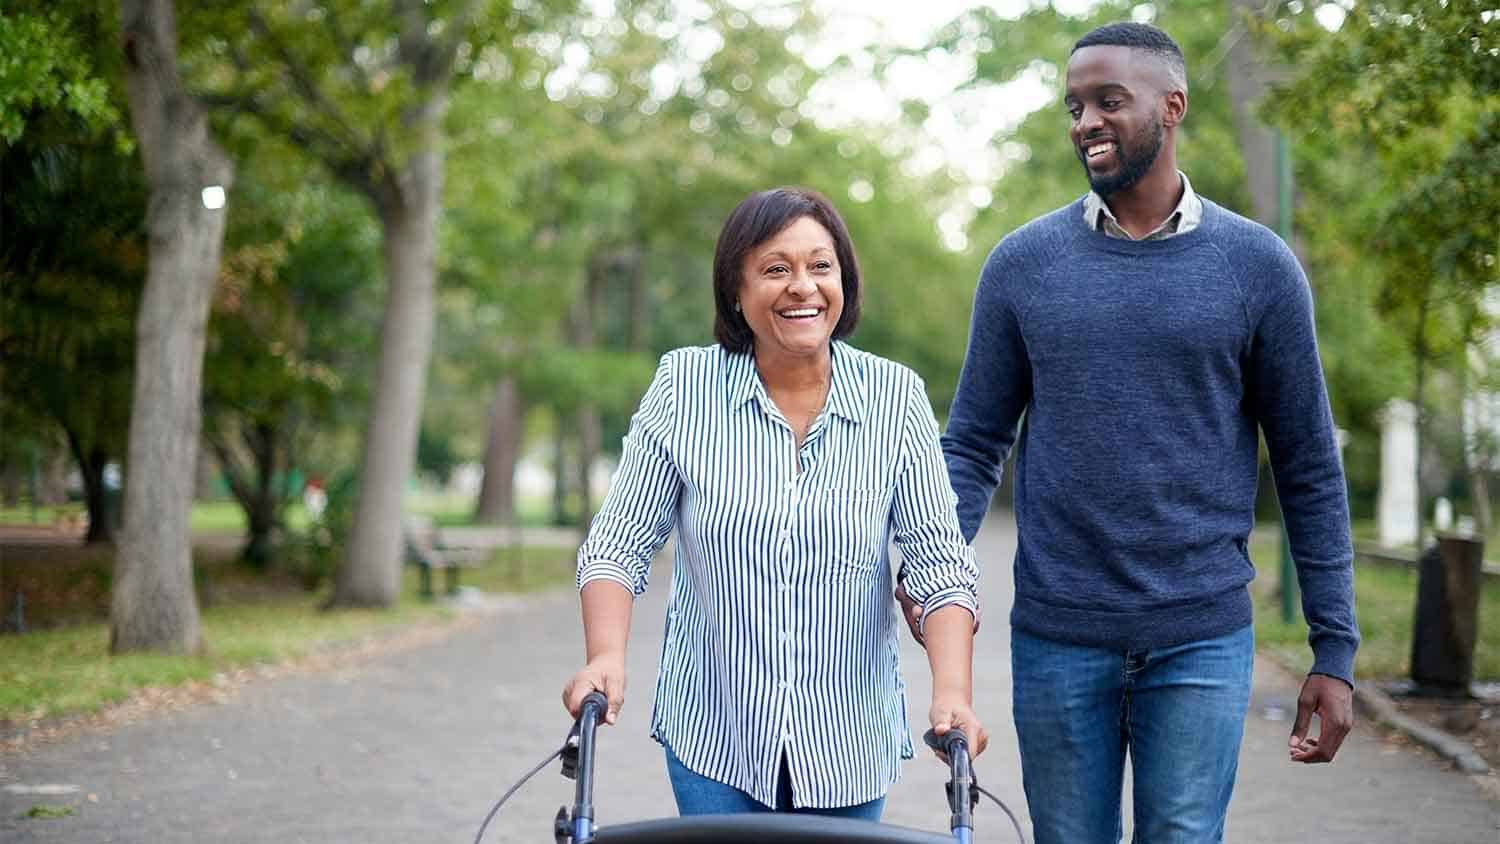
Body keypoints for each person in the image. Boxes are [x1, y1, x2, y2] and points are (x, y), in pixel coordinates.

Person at [909, 21, 1360, 844]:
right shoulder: (1022, 264)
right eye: (1075, 105)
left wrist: (1335, 651)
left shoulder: (1259, 268)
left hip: (1201, 637)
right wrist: (934, 570)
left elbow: (1307, 467)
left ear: (1173, 106)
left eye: (1109, 101)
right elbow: (973, 441)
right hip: (1056, 636)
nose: (1086, 121)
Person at [561, 187, 986, 820]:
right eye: (776, 269)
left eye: (820, 266)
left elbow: (939, 565)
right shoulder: (686, 386)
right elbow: (620, 543)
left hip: (849, 742)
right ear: (737, 288)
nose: (802, 287)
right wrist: (605, 657)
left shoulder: (895, 398)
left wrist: (952, 692)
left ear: (844, 281)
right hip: (715, 730)